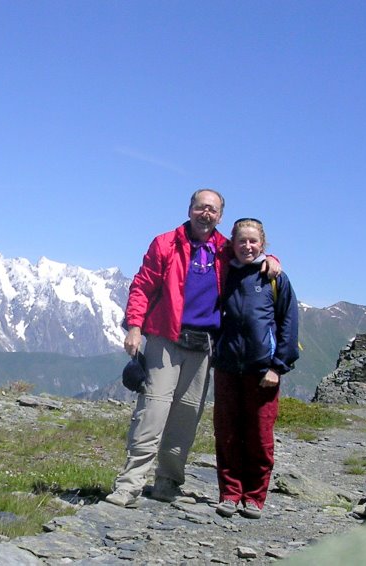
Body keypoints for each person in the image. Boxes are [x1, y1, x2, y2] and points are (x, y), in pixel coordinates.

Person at [105, 190, 280, 508]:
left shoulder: (225, 249)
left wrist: (272, 260)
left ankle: (168, 482)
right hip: (165, 338)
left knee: (186, 416)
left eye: (213, 210)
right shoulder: (165, 243)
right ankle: (129, 486)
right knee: (152, 412)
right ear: (190, 209)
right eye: (201, 207)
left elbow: (251, 258)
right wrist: (134, 326)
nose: (206, 213)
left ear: (220, 216)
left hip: (204, 345)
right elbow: (143, 285)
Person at [212, 218, 299, 519]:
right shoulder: (223, 274)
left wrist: (279, 366)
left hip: (262, 371)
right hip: (226, 367)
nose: (247, 246)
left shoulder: (275, 278)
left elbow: (288, 323)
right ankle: (229, 493)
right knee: (226, 434)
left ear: (263, 244)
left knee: (260, 436)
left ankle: (255, 496)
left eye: (253, 241)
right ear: (232, 244)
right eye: (241, 241)